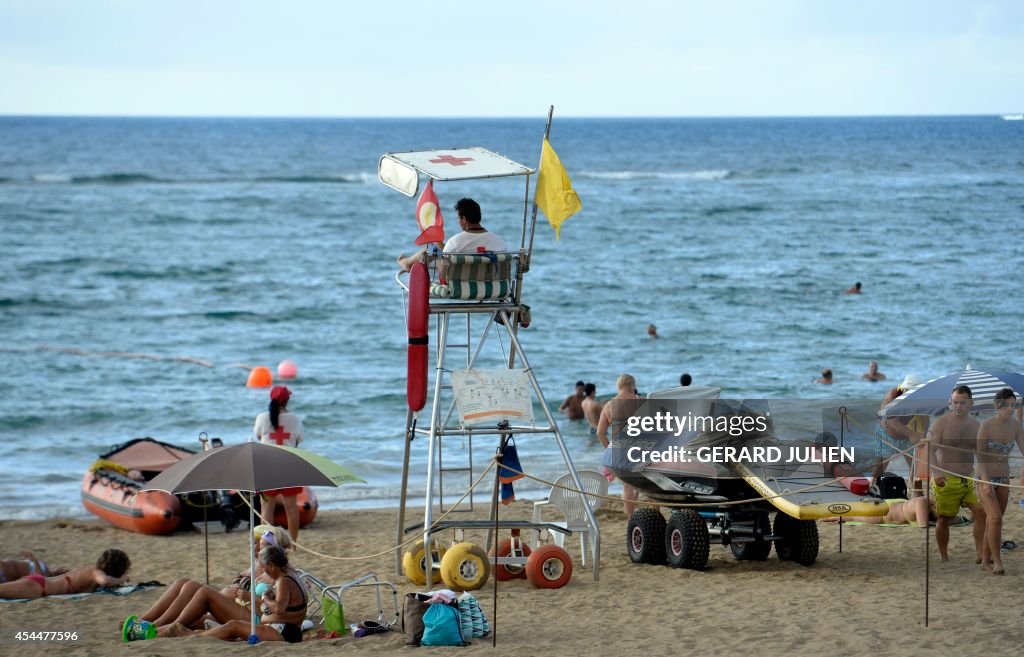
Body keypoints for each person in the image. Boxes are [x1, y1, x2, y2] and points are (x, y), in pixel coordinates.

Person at [139, 527, 290, 630]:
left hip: (251, 618)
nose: (256, 548)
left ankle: (157, 627)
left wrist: (248, 596)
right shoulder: (264, 569)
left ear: (274, 550)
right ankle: (147, 620)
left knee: (197, 590)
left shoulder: (278, 574)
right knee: (183, 585)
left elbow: (275, 609)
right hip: (236, 608)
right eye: (257, 544)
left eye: (261, 545)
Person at [166, 546, 307, 643]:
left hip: (283, 633)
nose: (265, 572)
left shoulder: (283, 581)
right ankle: (195, 634)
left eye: (264, 568)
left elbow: (279, 609)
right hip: (288, 630)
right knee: (232, 628)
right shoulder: (290, 574)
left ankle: (192, 637)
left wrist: (265, 597)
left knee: (233, 625)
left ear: (271, 565)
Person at [927, 385, 987, 563]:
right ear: (950, 402)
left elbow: (982, 454)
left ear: (971, 403)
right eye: (955, 402)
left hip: (968, 479)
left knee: (981, 513)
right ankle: (943, 554)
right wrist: (936, 472)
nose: (958, 406)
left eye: (962, 403)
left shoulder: (977, 426)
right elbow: (930, 450)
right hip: (945, 479)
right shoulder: (940, 424)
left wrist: (985, 478)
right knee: (945, 518)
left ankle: (979, 553)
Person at [976, 388, 1024, 574]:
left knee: (994, 521)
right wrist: (986, 482)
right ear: (997, 405)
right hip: (984, 477)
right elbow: (979, 456)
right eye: (1006, 405)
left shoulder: (1015, 426)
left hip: (1004, 478)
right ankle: (997, 562)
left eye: (1013, 405)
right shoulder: (986, 426)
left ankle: (985, 561)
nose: (1010, 409)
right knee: (994, 517)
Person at [397, 198, 507, 272]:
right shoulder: (499, 242)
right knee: (441, 248)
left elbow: (444, 271)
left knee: (431, 249)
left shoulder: (455, 242)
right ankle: (408, 262)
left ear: (464, 219)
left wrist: (438, 252)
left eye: (458, 218)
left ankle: (407, 263)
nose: (458, 221)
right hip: (491, 284)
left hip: (459, 284)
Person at [254, 385, 304, 542]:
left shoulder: (262, 418)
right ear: (287, 400)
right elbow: (298, 440)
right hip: (289, 465)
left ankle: (268, 543)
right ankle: (294, 544)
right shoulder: (295, 419)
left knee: (267, 508)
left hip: (267, 466)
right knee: (291, 508)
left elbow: (258, 436)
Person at [597, 373, 648, 517]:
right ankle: (656, 514)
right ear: (632, 385)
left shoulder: (609, 406)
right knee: (651, 483)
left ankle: (631, 518)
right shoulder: (642, 401)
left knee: (627, 485)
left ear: (619, 386)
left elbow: (600, 433)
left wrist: (610, 450)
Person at [871, 375, 929, 495]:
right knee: (880, 466)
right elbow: (891, 421)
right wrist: (912, 434)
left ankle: (917, 492)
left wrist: (922, 434)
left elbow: (924, 416)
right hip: (886, 435)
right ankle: (873, 489)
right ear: (903, 389)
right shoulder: (892, 396)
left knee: (915, 466)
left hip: (907, 437)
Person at [0, 549, 130, 599]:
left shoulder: (88, 569)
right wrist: (122, 579)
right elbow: (105, 581)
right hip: (38, 587)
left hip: (38, 582)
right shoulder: (95, 572)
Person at [822, 496, 935, 527]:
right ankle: (820, 517)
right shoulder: (922, 502)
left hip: (887, 510)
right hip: (884, 514)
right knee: (850, 516)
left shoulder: (923, 503)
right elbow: (923, 525)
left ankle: (823, 515)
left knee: (851, 514)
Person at [0, 551, 67, 583]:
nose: (61, 569)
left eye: (63, 571)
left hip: (6, 573)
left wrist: (34, 560)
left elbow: (38, 578)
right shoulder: (47, 570)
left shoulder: (48, 575)